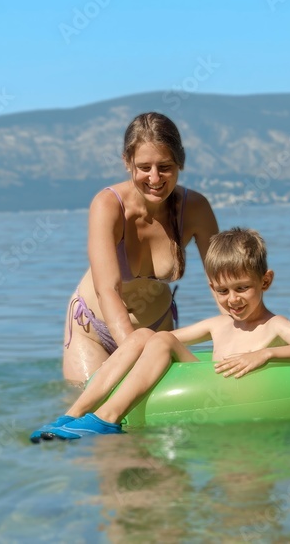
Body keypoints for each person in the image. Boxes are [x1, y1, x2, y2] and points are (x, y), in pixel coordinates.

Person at [32, 227, 290, 441]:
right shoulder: (219, 324)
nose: (233, 299)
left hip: (226, 391)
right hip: (208, 381)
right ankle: (74, 414)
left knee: (160, 338)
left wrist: (266, 353)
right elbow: (153, 340)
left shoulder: (275, 325)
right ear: (212, 289)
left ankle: (107, 418)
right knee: (143, 335)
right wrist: (140, 339)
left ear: (266, 281)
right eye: (222, 291)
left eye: (242, 288)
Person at [62, 112, 219, 385]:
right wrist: (133, 354)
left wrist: (249, 332)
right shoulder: (108, 206)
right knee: (96, 414)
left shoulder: (195, 209)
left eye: (165, 167)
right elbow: (107, 290)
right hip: (93, 331)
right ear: (127, 162)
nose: (155, 178)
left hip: (158, 328)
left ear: (180, 163)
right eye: (144, 167)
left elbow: (223, 280)